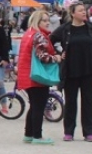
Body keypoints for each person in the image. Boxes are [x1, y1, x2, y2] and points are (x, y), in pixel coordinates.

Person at [51, 2, 92, 142]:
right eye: (80, 11)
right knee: (70, 102)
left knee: (88, 102)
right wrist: (59, 52)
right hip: (71, 71)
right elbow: (51, 40)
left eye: (84, 11)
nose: (84, 13)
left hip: (89, 71)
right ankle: (69, 131)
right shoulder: (65, 29)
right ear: (72, 13)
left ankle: (89, 132)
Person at [16, 10, 61, 144]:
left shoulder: (28, 34)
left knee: (34, 106)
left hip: (26, 74)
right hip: (37, 76)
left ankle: (28, 133)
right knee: (39, 106)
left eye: (48, 20)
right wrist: (56, 58)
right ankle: (37, 135)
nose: (47, 23)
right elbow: (43, 57)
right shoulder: (39, 36)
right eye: (44, 20)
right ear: (37, 21)